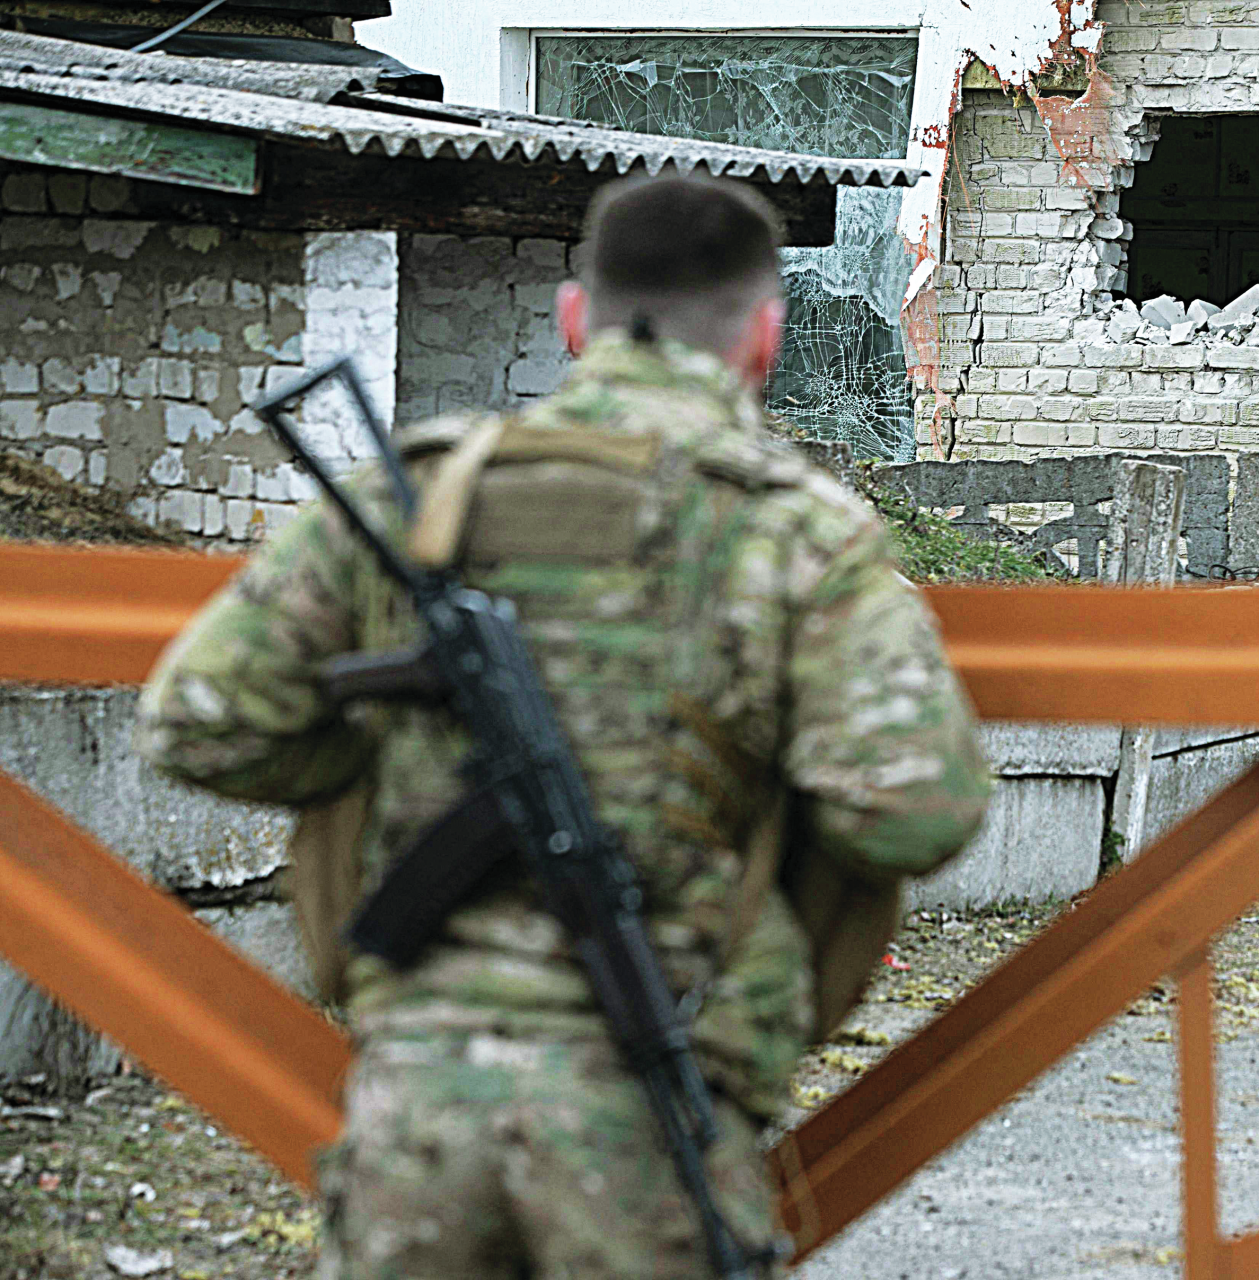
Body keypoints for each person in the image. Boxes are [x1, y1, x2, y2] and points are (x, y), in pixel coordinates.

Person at [135, 174, 992, 1278]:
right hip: (651, 1102)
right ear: (764, 339)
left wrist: (383, 749)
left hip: (417, 1105)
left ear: (573, 320)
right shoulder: (793, 529)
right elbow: (916, 811)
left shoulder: (421, 493)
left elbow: (200, 720)